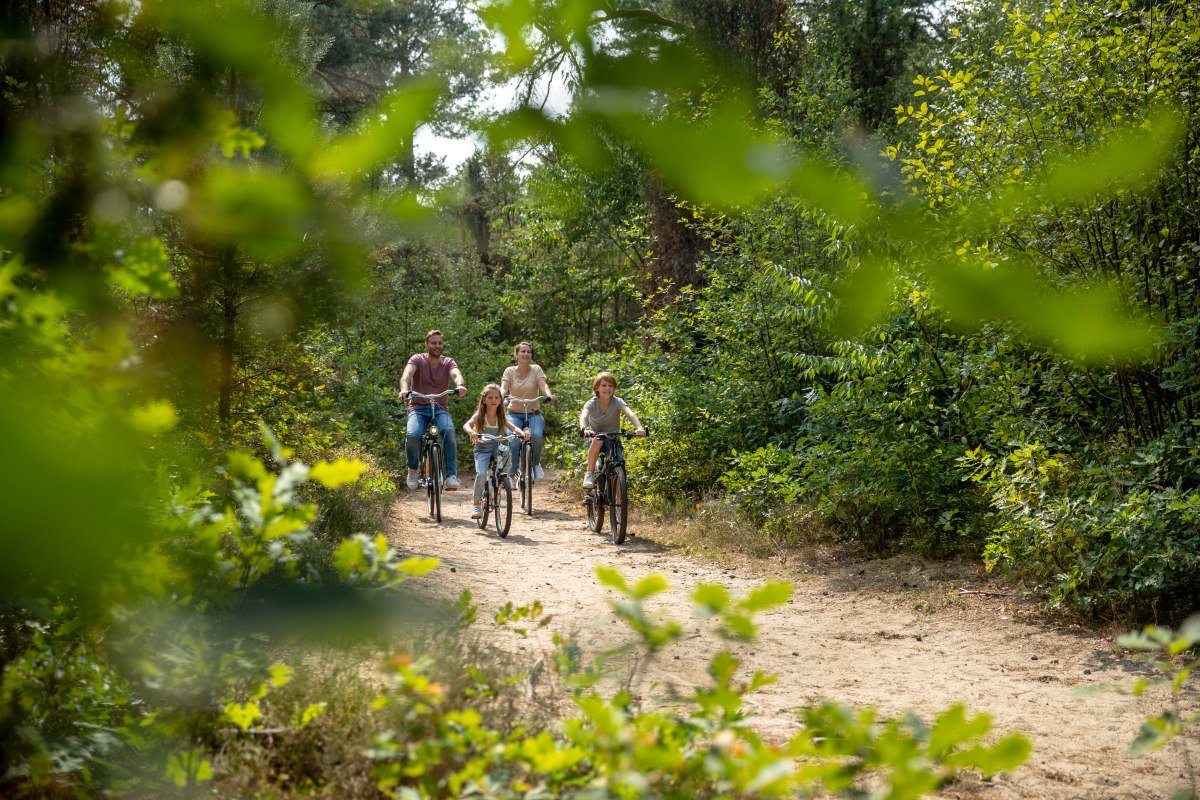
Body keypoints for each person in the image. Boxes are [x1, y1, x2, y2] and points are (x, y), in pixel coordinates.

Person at [398, 329, 468, 491]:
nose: (437, 346)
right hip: (418, 408)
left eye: (440, 343)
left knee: (449, 431)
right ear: (427, 344)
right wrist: (404, 389)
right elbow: (406, 376)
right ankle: (413, 470)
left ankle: (451, 475)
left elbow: (456, 374)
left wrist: (460, 385)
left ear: (443, 345)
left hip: (440, 408)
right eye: (433, 343)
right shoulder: (417, 359)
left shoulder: (448, 362)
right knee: (412, 434)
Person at [463, 384, 529, 519]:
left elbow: (513, 427)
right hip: (482, 450)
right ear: (484, 400)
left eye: (497, 397)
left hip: (495, 447)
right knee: (481, 475)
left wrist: (522, 433)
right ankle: (476, 504)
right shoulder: (480, 415)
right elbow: (467, 425)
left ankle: (500, 486)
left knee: (505, 451)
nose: (493, 400)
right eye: (490, 397)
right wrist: (471, 432)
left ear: (500, 400)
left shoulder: (501, 417)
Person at [578, 370, 644, 489]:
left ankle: (620, 503)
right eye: (604, 385)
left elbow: (630, 413)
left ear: (614, 389)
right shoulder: (592, 403)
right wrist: (584, 429)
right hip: (594, 437)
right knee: (599, 438)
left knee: (619, 465)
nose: (607, 388)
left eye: (611, 386)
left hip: (613, 437)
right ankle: (589, 474)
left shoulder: (617, 402)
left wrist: (639, 427)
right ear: (597, 387)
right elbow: (584, 415)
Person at [500, 341, 555, 480]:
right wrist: (500, 396)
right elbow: (504, 388)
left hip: (533, 413)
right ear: (516, 354)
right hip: (513, 413)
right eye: (523, 351)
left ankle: (536, 464)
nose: (526, 354)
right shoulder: (509, 371)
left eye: (528, 352)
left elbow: (543, 385)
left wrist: (548, 395)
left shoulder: (536, 369)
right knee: (514, 440)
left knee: (536, 435)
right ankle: (512, 470)